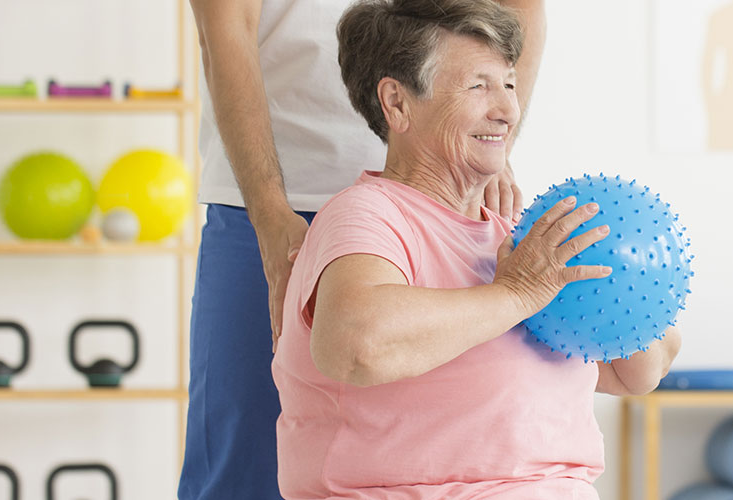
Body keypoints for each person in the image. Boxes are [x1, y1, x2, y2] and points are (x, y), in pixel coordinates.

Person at [272, 0, 681, 497]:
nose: (508, 110)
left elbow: (634, 372)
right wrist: (518, 293)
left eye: (509, 84)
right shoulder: (368, 216)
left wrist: (628, 287)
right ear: (397, 104)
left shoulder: (521, 238)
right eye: (478, 86)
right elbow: (357, 345)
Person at [180, 0, 542, 497]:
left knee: (450, 443)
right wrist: (267, 215)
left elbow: (521, 8)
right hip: (279, 203)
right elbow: (224, 29)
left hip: (439, 190)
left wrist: (484, 138)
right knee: (244, 462)